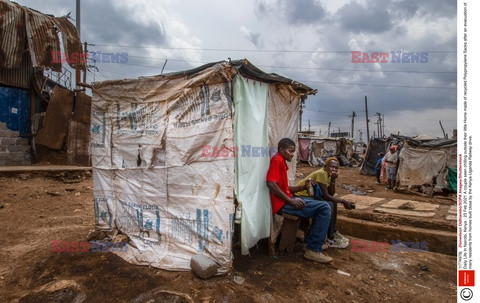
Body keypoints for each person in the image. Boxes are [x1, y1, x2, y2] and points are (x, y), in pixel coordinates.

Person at [266, 138, 333, 263]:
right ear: (281, 150)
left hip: (286, 200)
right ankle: (313, 249)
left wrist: (303, 187)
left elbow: (284, 188)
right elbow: (271, 183)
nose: (292, 154)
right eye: (290, 151)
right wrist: (290, 201)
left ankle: (312, 243)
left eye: (293, 151)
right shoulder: (277, 160)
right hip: (283, 204)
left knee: (327, 204)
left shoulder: (281, 161)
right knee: (324, 208)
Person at [296, 157, 355, 249]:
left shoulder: (328, 174)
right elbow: (327, 196)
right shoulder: (322, 173)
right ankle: (330, 236)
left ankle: (333, 233)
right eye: (332, 167)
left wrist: (333, 180)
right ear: (326, 166)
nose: (334, 169)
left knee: (333, 203)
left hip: (312, 196)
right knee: (329, 204)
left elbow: (331, 193)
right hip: (302, 195)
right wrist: (343, 201)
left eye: (336, 168)